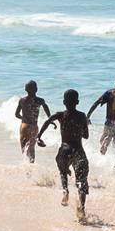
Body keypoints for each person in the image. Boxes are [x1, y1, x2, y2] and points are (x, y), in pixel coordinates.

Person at [36, 89, 91, 222]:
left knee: (62, 170)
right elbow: (86, 136)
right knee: (81, 181)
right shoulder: (82, 116)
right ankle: (82, 209)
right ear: (77, 102)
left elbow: (48, 121)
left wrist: (39, 137)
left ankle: (65, 190)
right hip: (79, 151)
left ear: (64, 102)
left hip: (65, 150)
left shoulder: (60, 115)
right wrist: (83, 126)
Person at [13, 80, 51, 163]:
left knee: (24, 149)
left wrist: (24, 118)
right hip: (34, 127)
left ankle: (26, 170)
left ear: (25, 89)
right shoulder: (40, 100)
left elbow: (16, 114)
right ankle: (31, 167)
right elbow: (46, 108)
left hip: (24, 126)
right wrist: (50, 118)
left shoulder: (22, 100)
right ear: (36, 89)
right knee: (32, 149)